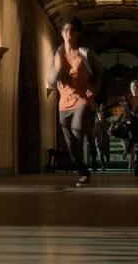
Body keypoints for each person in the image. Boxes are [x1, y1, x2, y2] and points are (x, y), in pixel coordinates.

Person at [46, 17, 102, 186]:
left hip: (82, 100)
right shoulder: (57, 54)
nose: (67, 33)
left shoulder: (85, 54)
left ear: (77, 33)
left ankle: (84, 174)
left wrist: (94, 90)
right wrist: (57, 66)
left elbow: (99, 73)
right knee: (71, 145)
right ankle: (83, 171)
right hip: (64, 103)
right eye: (64, 30)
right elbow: (50, 80)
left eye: (70, 29)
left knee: (77, 130)